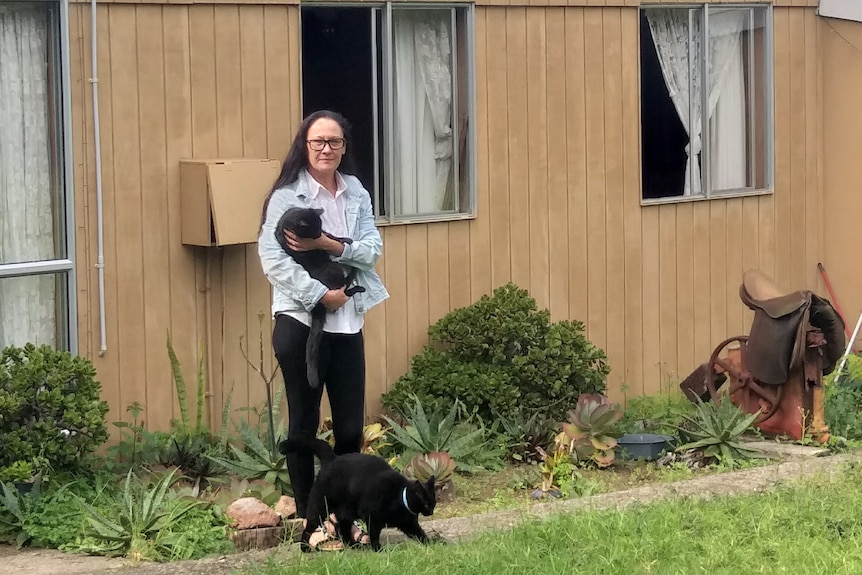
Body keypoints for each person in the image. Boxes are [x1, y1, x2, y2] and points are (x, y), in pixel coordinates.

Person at [258, 110, 389, 550]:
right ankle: (310, 525)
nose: (326, 149)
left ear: (344, 147)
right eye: (318, 142)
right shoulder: (286, 196)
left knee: (351, 428)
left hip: (349, 320)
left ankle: (343, 517)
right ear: (305, 145)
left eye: (333, 142)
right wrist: (319, 295)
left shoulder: (356, 193)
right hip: (299, 321)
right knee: (304, 424)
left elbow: (371, 250)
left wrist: (326, 244)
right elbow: (272, 260)